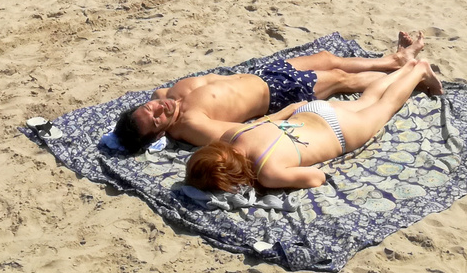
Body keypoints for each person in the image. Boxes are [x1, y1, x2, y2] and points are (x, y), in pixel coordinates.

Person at [113, 33, 426, 153]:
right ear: (159, 135)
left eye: (150, 108)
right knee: (341, 79)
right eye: (156, 119)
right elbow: (240, 133)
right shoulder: (192, 124)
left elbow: (157, 96)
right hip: (277, 93)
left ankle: (393, 61)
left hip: (262, 74)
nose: (159, 109)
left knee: (328, 58)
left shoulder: (165, 97)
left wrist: (148, 110)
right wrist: (285, 115)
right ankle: (406, 73)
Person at [184, 57, 443, 192]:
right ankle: (406, 68)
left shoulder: (268, 172)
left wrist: (266, 185)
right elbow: (269, 120)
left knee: (383, 107)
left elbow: (316, 178)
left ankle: (419, 71)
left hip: (338, 132)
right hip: (310, 113)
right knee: (370, 98)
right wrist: (291, 110)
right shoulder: (235, 134)